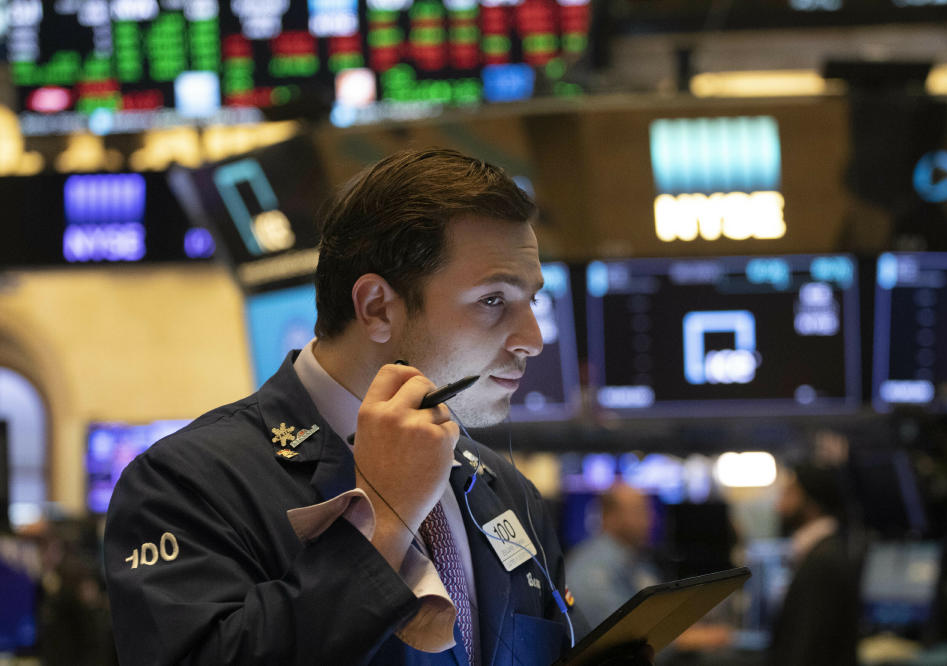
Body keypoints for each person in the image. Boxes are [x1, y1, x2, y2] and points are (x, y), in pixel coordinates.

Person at [104, 148, 652, 666]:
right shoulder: (185, 484)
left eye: (531, 300)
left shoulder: (506, 490)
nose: (533, 337)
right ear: (376, 308)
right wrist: (383, 519)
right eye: (493, 300)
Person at [767, 463, 861, 666]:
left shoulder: (824, 562)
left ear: (812, 503)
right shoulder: (822, 551)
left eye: (789, 493)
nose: (779, 504)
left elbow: (808, 648)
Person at [565, 484, 661, 629]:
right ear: (610, 517)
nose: (650, 519)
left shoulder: (636, 559)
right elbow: (625, 630)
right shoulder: (592, 567)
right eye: (639, 511)